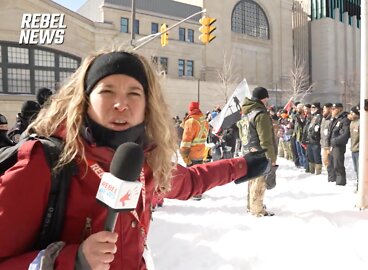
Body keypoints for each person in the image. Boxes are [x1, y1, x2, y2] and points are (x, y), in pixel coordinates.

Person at [0, 49, 269, 269]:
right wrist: (72, 261)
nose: (121, 104)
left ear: (147, 106)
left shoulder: (144, 163)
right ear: (84, 100)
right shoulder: (43, 163)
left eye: (133, 93)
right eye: (107, 91)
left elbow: (190, 182)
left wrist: (243, 165)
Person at [238, 86, 277, 217]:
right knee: (259, 181)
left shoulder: (246, 113)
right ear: (263, 98)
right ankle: (257, 209)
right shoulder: (260, 114)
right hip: (259, 152)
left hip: (247, 151)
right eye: (266, 98)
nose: (267, 101)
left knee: (252, 180)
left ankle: (251, 205)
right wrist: (271, 157)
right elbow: (265, 139)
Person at [180, 101, 210, 200]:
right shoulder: (204, 121)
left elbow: (186, 141)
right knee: (199, 173)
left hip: (192, 153)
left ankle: (193, 193)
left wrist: (185, 156)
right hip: (201, 151)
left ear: (190, 109)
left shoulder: (191, 122)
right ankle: (198, 192)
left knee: (191, 174)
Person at [327, 103, 350, 186]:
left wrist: (334, 141)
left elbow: (344, 134)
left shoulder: (344, 120)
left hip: (338, 145)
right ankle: (332, 179)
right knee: (331, 164)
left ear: (340, 109)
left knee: (338, 164)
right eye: (332, 108)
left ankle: (340, 182)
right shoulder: (334, 119)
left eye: (334, 109)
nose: (332, 110)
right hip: (332, 145)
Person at [305, 102, 323, 175]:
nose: (312, 109)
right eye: (311, 107)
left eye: (313, 107)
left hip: (315, 140)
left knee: (316, 157)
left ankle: (318, 172)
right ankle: (311, 171)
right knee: (310, 156)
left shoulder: (319, 117)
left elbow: (317, 128)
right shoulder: (312, 116)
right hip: (309, 140)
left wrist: (315, 133)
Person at [320, 103, 333, 181]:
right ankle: (329, 175)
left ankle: (331, 176)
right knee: (325, 161)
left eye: (325, 109)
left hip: (329, 144)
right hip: (323, 143)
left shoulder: (331, 119)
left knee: (329, 162)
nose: (323, 111)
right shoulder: (324, 119)